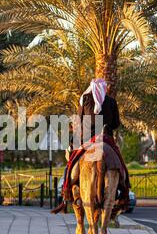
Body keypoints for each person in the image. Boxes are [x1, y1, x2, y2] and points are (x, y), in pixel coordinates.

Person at [52, 79, 131, 214]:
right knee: (121, 163)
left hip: (87, 139)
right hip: (106, 137)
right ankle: (124, 193)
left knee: (71, 163)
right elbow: (116, 123)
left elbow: (80, 120)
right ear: (104, 89)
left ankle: (67, 193)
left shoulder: (86, 98)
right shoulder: (111, 101)